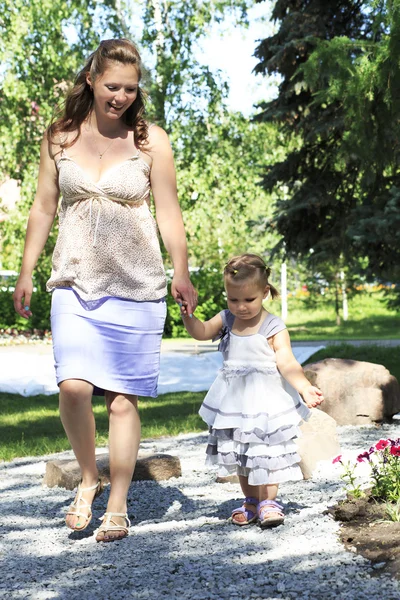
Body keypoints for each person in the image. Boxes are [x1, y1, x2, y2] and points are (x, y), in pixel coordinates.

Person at [13, 38, 197, 542]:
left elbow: (169, 211)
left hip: (137, 283)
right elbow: (43, 207)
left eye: (130, 89)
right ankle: (88, 478)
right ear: (91, 79)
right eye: (112, 86)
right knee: (72, 387)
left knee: (121, 401)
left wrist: (181, 271)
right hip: (73, 276)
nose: (120, 97)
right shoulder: (60, 136)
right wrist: (27, 270)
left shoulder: (151, 141)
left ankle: (118, 503)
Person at [180, 253, 323, 528]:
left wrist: (304, 387)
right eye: (233, 300)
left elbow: (287, 361)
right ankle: (250, 501)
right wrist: (188, 315)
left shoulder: (273, 326)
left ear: (265, 293)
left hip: (265, 403)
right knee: (241, 453)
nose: (241, 307)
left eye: (249, 300)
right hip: (235, 402)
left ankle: (269, 501)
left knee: (265, 452)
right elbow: (200, 331)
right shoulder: (226, 320)